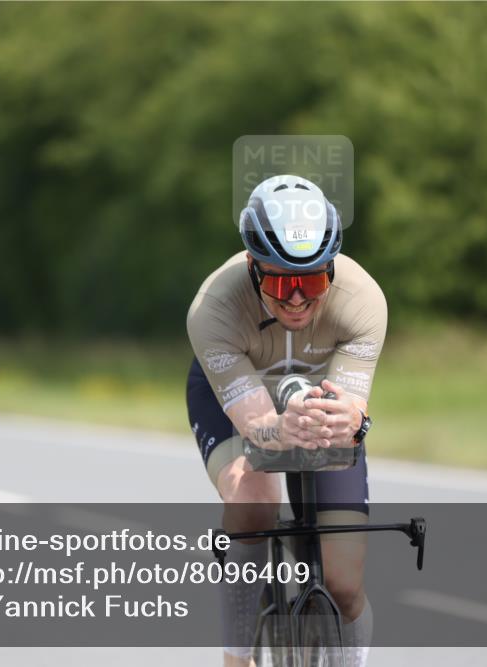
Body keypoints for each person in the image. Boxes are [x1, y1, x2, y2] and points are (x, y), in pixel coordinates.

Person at [186, 174, 386, 666]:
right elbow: (258, 427)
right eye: (280, 283)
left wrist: (351, 421)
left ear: (331, 268)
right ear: (252, 267)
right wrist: (279, 429)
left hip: (316, 396)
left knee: (344, 583)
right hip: (236, 399)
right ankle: (236, 659)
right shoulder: (214, 308)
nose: (296, 299)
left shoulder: (363, 300)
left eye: (312, 281)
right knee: (253, 502)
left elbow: (353, 412)